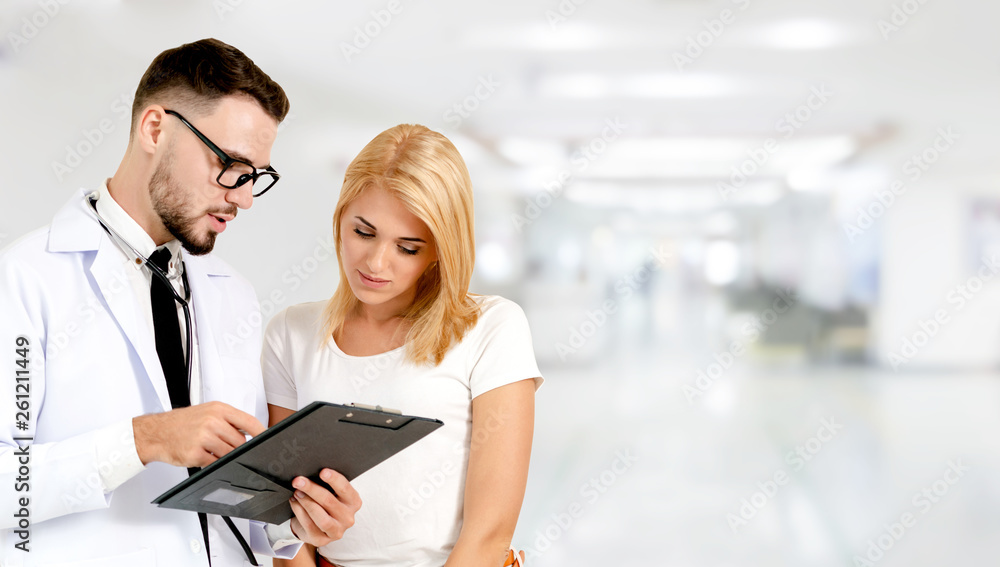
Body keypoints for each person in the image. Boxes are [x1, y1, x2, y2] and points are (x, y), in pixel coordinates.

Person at [0, 39, 360, 566]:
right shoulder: (26, 278)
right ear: (154, 128)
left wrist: (297, 520)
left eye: (256, 175)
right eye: (231, 164)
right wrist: (142, 440)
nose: (242, 197)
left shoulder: (230, 291)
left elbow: (242, 503)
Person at [262, 124, 542, 567]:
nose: (376, 263)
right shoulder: (291, 333)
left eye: (408, 247)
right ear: (341, 219)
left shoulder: (493, 328)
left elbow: (488, 535)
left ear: (439, 251)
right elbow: (285, 524)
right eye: (364, 232)